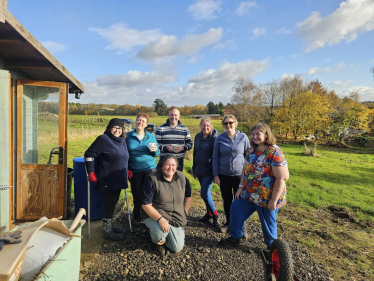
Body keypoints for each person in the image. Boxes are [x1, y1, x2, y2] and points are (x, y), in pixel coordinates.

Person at [220, 122, 289, 248]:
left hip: (267, 197)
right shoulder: (251, 151)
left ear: (266, 134)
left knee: (268, 222)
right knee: (236, 208)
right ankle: (236, 237)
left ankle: (272, 248)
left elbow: (282, 178)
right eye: (253, 134)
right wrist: (241, 186)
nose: (255, 137)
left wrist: (273, 200)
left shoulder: (275, 152)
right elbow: (245, 170)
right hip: (250, 193)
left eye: (258, 134)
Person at [84, 118, 129, 241]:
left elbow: (124, 157)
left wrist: (127, 169)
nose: (116, 130)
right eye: (114, 127)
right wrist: (91, 172)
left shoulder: (122, 141)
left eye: (119, 128)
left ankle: (110, 225)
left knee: (113, 202)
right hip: (107, 178)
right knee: (109, 204)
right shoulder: (103, 139)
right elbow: (88, 154)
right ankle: (107, 231)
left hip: (119, 178)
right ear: (109, 128)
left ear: (122, 130)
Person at [141, 155, 192, 256]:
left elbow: (188, 197)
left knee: (176, 247)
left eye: (173, 165)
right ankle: (158, 242)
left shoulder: (182, 178)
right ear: (161, 165)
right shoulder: (152, 179)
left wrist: (185, 212)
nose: (170, 168)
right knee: (160, 232)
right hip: (155, 213)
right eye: (167, 164)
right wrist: (160, 219)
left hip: (175, 215)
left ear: (176, 167)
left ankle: (165, 233)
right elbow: (146, 205)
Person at [212, 114, 250, 235]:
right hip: (224, 175)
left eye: (231, 123)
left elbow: (248, 157)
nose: (228, 125)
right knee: (227, 200)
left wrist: (248, 175)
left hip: (240, 176)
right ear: (223, 125)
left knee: (240, 201)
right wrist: (216, 175)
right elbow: (215, 157)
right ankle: (228, 222)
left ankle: (241, 225)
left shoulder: (243, 137)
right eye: (226, 123)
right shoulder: (219, 138)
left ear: (235, 123)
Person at [126, 112, 160, 226]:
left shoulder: (151, 136)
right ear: (136, 121)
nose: (140, 122)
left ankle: (151, 215)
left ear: (146, 124)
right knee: (136, 193)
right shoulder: (128, 136)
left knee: (150, 193)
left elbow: (157, 153)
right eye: (139, 120)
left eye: (143, 121)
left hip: (150, 169)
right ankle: (137, 215)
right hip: (134, 169)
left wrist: (155, 150)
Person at [192, 117, 219, 227]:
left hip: (209, 171)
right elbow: (195, 153)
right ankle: (208, 214)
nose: (205, 127)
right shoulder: (197, 137)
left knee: (204, 193)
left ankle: (215, 215)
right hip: (199, 170)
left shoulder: (215, 138)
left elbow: (216, 156)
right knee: (205, 194)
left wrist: (215, 173)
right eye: (203, 125)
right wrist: (194, 168)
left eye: (207, 125)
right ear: (200, 126)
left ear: (211, 126)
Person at [155, 106, 193, 171]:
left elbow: (190, 144)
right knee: (162, 180)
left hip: (179, 162)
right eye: (171, 115)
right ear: (168, 115)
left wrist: (183, 147)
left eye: (176, 115)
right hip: (164, 161)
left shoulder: (184, 129)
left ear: (179, 116)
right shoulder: (160, 128)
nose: (173, 117)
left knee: (177, 180)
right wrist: (165, 147)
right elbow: (155, 145)